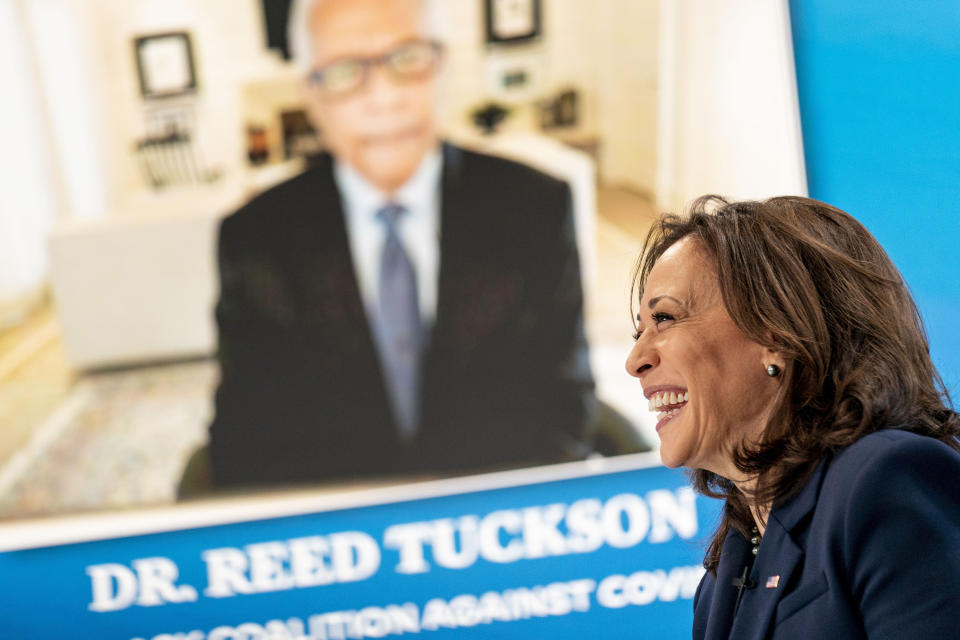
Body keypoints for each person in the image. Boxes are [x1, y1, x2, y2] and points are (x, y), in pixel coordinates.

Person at [202, 0, 595, 489]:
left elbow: (563, 405)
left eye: (407, 58)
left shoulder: (535, 206)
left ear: (443, 66)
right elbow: (246, 439)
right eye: (345, 71)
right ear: (311, 95)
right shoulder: (256, 237)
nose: (384, 96)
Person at [625, 195, 960, 638]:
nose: (635, 360)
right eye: (638, 332)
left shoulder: (885, 481)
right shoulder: (723, 578)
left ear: (776, 335)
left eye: (664, 318)